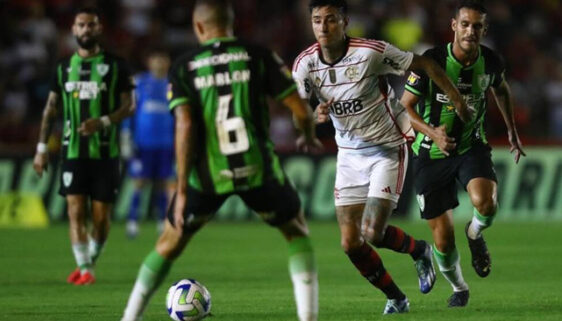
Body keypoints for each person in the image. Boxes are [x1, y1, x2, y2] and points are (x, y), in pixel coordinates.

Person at [121, 1, 321, 320]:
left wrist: (183, 185)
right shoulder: (258, 55)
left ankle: (130, 317)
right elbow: (299, 108)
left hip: (208, 174)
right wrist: (308, 132)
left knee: (169, 242)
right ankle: (308, 317)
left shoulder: (185, 65)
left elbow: (185, 125)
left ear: (198, 27)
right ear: (231, 24)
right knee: (296, 231)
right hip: (258, 169)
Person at [293, 0, 472, 314]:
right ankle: (397, 297)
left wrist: (455, 98)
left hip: (387, 148)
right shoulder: (305, 64)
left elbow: (426, 65)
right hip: (348, 155)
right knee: (350, 243)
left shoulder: (370, 52)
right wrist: (313, 114)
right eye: (317, 20)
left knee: (373, 232)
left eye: (331, 19)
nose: (323, 27)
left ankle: (419, 251)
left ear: (345, 22)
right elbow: (299, 108)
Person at [400, 0, 525, 307]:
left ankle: (475, 233)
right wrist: (434, 133)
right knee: (442, 238)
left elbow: (502, 89)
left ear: (485, 29)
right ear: (454, 26)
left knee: (487, 203)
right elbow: (405, 107)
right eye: (465, 24)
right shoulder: (432, 60)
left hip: (471, 146)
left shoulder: (492, 62)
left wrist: (511, 129)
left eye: (477, 26)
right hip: (430, 153)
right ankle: (459, 287)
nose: (471, 31)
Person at [32, 7, 135, 285]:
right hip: (72, 151)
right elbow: (51, 108)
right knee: (75, 211)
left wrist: (102, 121)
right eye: (81, 25)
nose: (86, 30)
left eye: (91, 25)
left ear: (99, 29)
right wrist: (41, 149)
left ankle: (89, 259)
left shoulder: (116, 65)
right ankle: (85, 269)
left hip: (105, 152)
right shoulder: (64, 67)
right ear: (73, 30)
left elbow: (129, 106)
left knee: (101, 220)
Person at [121, 49, 175, 239]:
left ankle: (162, 222)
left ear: (168, 62)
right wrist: (126, 135)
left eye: (163, 59)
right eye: (156, 59)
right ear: (149, 61)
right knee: (139, 183)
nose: (159, 63)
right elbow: (130, 110)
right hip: (143, 144)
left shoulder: (173, 84)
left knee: (163, 184)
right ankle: (133, 221)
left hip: (166, 143)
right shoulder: (140, 82)